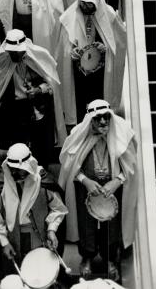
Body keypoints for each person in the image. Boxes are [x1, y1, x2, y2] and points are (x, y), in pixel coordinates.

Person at [59, 100, 138, 281]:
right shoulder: (78, 136)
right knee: (85, 225)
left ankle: (110, 260)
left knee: (112, 225)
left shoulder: (122, 135)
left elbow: (132, 167)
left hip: (113, 190)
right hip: (85, 189)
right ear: (90, 120)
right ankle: (87, 258)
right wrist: (85, 180)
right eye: (98, 118)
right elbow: (68, 165)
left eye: (106, 117)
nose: (103, 122)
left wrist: (117, 182)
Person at [0, 29, 67, 165]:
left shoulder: (38, 57)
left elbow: (51, 84)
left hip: (38, 107)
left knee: (41, 147)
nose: (15, 55)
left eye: (17, 52)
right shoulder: (3, 60)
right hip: (15, 109)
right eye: (12, 52)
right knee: (18, 148)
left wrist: (38, 90)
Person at [0, 143, 68, 277]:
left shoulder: (43, 182)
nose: (14, 173)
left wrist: (52, 229)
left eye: (19, 169)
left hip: (40, 237)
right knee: (16, 275)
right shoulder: (2, 186)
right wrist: (4, 242)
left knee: (41, 274)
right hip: (13, 238)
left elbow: (58, 209)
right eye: (12, 169)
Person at [56, 0, 126, 125]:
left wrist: (104, 48)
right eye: (84, 5)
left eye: (90, 6)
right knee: (80, 102)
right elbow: (63, 48)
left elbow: (119, 44)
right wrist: (72, 52)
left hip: (100, 73)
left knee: (99, 101)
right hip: (78, 73)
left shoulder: (110, 16)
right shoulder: (69, 17)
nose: (86, 8)